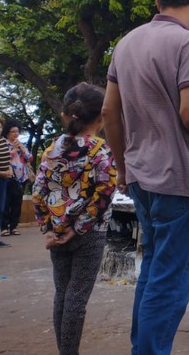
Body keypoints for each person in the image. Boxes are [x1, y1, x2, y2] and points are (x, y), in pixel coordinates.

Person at [102, 0, 189, 355]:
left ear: (158, 1)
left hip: (140, 176)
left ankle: (143, 347)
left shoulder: (126, 43)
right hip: (178, 177)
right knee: (174, 279)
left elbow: (108, 113)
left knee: (153, 270)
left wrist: (123, 168)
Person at [33, 83, 118, 355]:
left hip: (58, 233)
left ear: (66, 115)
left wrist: (49, 228)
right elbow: (105, 190)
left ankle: (65, 351)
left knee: (63, 293)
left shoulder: (51, 151)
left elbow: (38, 192)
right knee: (77, 297)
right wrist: (80, 227)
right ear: (100, 117)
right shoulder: (101, 151)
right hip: (90, 234)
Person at [2, 119, 33, 237]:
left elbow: (30, 158)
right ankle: (4, 227)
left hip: (21, 177)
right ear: (7, 133)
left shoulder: (22, 144)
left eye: (17, 131)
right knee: (6, 202)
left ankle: (14, 226)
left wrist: (22, 150)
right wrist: (14, 150)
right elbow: (3, 158)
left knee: (17, 202)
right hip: (8, 176)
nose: (15, 134)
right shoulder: (3, 144)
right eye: (12, 132)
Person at [0, 116, 11, 247]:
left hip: (3, 180)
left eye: (0, 127)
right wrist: (2, 172)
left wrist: (10, 169)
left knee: (0, 208)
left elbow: (8, 158)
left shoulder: (3, 142)